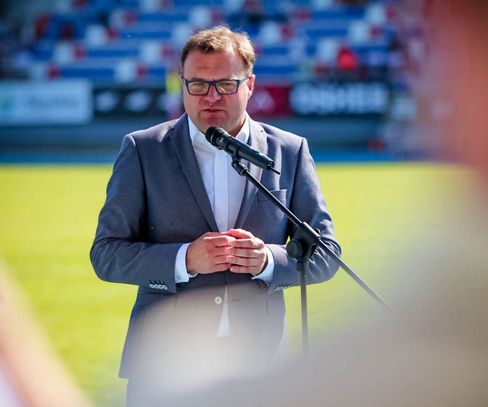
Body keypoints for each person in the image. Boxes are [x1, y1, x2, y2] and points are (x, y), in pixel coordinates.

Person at [90, 25, 340, 404]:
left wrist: (268, 260)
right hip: (163, 367)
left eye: (225, 84)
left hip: (262, 371)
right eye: (198, 85)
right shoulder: (143, 150)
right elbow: (106, 254)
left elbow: (326, 254)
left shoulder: (290, 151)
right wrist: (184, 259)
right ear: (182, 84)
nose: (210, 97)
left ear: (250, 85)